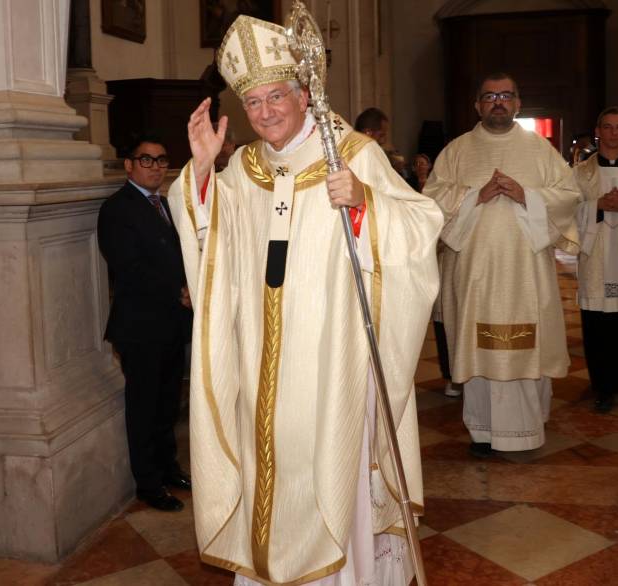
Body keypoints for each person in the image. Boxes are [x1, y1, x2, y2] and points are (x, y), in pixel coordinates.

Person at [168, 15, 442, 586]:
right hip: (262, 361)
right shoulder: (243, 169)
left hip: (332, 360)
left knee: (328, 464)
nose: (265, 112)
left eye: (275, 97)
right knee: (272, 465)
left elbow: (422, 226)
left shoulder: (353, 153)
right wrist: (199, 169)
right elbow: (211, 240)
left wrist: (367, 202)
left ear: (303, 94)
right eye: (252, 103)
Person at [424, 72, 579, 457]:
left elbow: (569, 194)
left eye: (506, 95)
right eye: (490, 96)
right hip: (474, 274)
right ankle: (483, 430)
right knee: (479, 348)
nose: (498, 101)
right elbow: (432, 200)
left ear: (517, 103)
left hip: (525, 274)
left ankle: (526, 427)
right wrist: (477, 195)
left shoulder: (540, 149)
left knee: (525, 345)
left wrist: (526, 195)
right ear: (477, 105)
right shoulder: (457, 151)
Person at [97, 135, 193, 512]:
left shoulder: (165, 204)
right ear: (129, 165)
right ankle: (148, 484)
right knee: (144, 406)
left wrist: (189, 286)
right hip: (140, 327)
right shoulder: (117, 209)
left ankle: (168, 468)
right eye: (146, 160)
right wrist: (178, 290)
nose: (154, 167)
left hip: (171, 323)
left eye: (160, 160)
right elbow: (129, 267)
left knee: (168, 403)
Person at [573, 107, 618, 413]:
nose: (614, 133)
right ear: (598, 131)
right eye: (608, 127)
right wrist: (598, 207)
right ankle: (602, 386)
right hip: (596, 257)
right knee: (597, 325)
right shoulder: (580, 173)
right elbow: (565, 213)